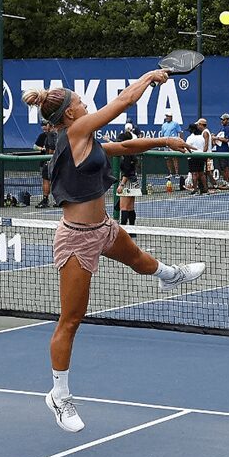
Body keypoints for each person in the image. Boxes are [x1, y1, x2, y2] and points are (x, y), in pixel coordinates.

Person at [22, 72, 206, 433]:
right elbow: (122, 102)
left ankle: (171, 276)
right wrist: (150, 77)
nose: (85, 104)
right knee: (71, 320)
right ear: (71, 115)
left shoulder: (84, 138)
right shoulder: (73, 133)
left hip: (103, 228)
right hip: (76, 239)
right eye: (80, 103)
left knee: (140, 261)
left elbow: (122, 148)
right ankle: (59, 395)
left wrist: (164, 140)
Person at [115, 122, 139, 224]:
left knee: (124, 207)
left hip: (127, 182)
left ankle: (124, 229)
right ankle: (132, 229)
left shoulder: (126, 155)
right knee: (130, 207)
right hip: (134, 182)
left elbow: (126, 171)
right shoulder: (131, 152)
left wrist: (121, 185)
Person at [34, 121, 58, 208]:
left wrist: (50, 157)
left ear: (50, 125)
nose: (44, 127)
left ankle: (45, 200)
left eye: (46, 125)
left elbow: (52, 148)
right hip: (58, 161)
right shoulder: (59, 133)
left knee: (46, 180)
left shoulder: (51, 135)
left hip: (50, 161)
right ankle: (58, 200)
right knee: (57, 180)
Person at [184, 121, 211, 195]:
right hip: (201, 156)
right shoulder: (201, 137)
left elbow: (187, 147)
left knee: (194, 174)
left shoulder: (190, 138)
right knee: (202, 173)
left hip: (193, 157)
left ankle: (195, 190)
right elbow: (203, 146)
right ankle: (205, 190)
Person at [159, 113, 183, 184]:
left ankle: (177, 173)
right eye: (166, 116)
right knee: (167, 159)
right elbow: (162, 135)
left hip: (173, 143)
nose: (167, 118)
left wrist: (181, 142)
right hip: (166, 143)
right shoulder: (163, 125)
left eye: (168, 116)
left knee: (174, 158)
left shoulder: (175, 124)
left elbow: (180, 132)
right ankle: (170, 173)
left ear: (171, 117)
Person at [214, 113, 229, 187]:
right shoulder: (222, 128)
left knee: (225, 167)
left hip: (224, 151)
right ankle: (225, 181)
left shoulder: (228, 128)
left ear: (227, 120)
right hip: (219, 151)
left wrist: (216, 138)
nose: (222, 121)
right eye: (221, 119)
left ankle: (227, 182)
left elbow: (226, 139)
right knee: (222, 167)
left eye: (223, 119)